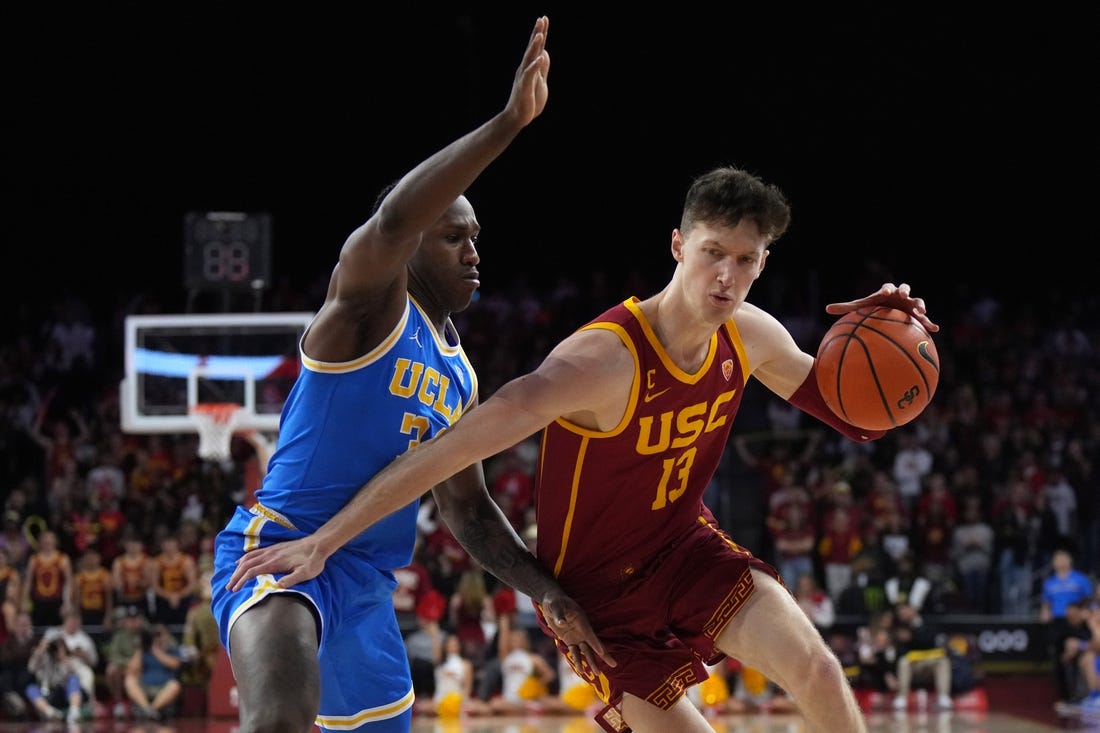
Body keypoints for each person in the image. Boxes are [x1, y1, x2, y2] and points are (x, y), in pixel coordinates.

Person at [228, 156, 940, 731]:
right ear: (678, 246)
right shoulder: (600, 359)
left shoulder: (752, 336)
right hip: (598, 599)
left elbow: (858, 416)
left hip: (687, 548)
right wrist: (326, 538)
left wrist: (888, 351)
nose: (727, 276)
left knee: (817, 667)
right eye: (713, 252)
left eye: (747, 260)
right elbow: (445, 455)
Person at [211, 17, 606, 733]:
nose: (473, 251)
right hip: (281, 547)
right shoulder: (362, 312)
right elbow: (393, 220)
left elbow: (467, 507)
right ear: (417, 243)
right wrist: (509, 123)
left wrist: (546, 592)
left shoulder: (460, 374)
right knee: (277, 720)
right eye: (454, 235)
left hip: (366, 585)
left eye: (477, 238)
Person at [124, 623, 183, 720]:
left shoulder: (173, 651)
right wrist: (140, 649)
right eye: (154, 635)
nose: (157, 638)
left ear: (166, 636)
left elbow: (175, 664)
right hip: (145, 688)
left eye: (159, 635)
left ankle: (152, 709)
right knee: (129, 680)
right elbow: (131, 670)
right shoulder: (144, 653)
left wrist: (157, 651)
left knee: (175, 685)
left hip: (163, 689)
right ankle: (148, 709)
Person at [104, 605, 148, 719]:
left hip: (145, 666)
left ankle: (140, 705)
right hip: (126, 666)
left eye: (136, 618)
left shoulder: (148, 633)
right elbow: (114, 655)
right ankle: (119, 704)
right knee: (112, 669)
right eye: (130, 619)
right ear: (126, 621)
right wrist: (128, 663)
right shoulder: (120, 635)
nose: (133, 622)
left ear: (141, 619)